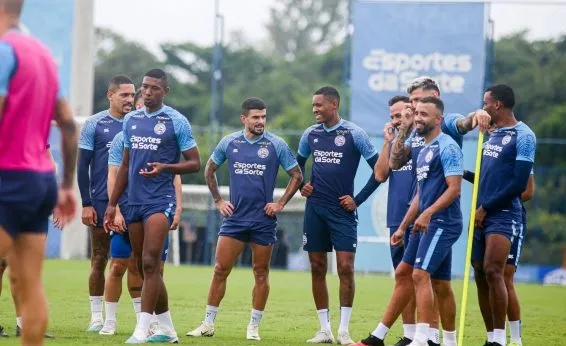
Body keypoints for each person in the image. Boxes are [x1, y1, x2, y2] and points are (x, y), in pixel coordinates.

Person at [186, 97, 302, 341]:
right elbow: (209, 170)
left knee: (261, 273)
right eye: (256, 117)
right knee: (220, 270)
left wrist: (280, 204)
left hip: (263, 220)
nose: (261, 121)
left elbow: (297, 175)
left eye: (263, 117)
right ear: (244, 119)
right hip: (235, 219)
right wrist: (218, 200)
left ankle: (253, 327)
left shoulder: (276, 144)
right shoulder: (230, 142)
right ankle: (208, 323)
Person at [386, 76, 489, 346]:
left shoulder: (445, 123)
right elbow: (395, 164)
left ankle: (426, 338)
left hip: (439, 215)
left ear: (435, 96)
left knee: (422, 277)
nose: (415, 107)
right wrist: (404, 130)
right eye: (413, 103)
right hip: (418, 210)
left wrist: (476, 114)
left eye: (420, 101)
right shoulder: (416, 130)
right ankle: (431, 338)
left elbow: (464, 123)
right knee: (429, 280)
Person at [0, 0, 78, 344]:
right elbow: (68, 123)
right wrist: (64, 186)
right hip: (41, 180)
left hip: (8, 179)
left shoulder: (4, 52)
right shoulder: (44, 55)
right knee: (27, 283)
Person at [104, 68, 201, 343]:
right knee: (144, 265)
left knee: (150, 261)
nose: (147, 92)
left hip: (160, 200)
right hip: (132, 201)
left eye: (154, 88)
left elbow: (195, 162)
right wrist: (112, 205)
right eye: (144, 87)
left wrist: (165, 168)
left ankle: (141, 329)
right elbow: (125, 165)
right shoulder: (131, 120)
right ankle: (168, 329)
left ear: (165, 92)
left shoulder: (176, 121)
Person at [297, 86, 380, 345]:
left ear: (334, 104)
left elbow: (379, 171)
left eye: (319, 105)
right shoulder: (310, 134)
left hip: (342, 212)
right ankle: (325, 330)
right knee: (317, 267)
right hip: (315, 209)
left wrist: (358, 199)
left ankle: (344, 331)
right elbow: (296, 165)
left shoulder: (355, 134)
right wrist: (302, 184)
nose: (315, 110)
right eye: (313, 105)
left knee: (345, 268)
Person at [100, 128, 183, 336]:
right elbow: (115, 173)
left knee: (153, 267)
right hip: (129, 208)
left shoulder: (168, 134)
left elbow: (176, 176)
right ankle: (109, 320)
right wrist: (116, 209)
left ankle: (149, 324)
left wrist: (178, 209)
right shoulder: (124, 137)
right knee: (121, 264)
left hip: (157, 207)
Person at [471, 85, 536, 346]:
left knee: (495, 272)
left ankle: (504, 339)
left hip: (504, 215)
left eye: (486, 102)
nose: (484, 106)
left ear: (497, 104)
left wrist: (486, 207)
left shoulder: (524, 135)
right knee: (479, 272)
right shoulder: (491, 135)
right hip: (482, 214)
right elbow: (488, 179)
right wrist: (458, 176)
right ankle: (491, 338)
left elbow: (521, 184)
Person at [395, 97, 463, 346]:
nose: (419, 118)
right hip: (427, 221)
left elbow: (454, 189)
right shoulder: (422, 148)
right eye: (417, 113)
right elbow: (421, 194)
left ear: (438, 120)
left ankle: (422, 338)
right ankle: (451, 342)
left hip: (443, 222)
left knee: (419, 274)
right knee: (441, 284)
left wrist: (428, 213)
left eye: (425, 114)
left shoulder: (448, 146)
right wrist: (404, 226)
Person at [354, 95, 416, 346]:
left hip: (416, 217)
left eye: (400, 115)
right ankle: (411, 334)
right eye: (392, 116)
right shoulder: (395, 143)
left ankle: (427, 336)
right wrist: (388, 142)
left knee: (415, 277)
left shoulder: (422, 140)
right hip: (395, 217)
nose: (395, 120)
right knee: (403, 278)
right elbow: (380, 174)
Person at [77, 74, 136, 332]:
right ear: (110, 95)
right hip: (102, 202)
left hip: (136, 203)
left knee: (137, 262)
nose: (130, 100)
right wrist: (86, 203)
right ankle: (96, 317)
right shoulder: (94, 124)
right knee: (99, 258)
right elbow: (82, 166)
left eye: (133, 95)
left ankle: (147, 320)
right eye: (124, 95)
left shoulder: (139, 124)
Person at [463, 168, 534, 346]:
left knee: (504, 277)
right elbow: (486, 182)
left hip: (508, 219)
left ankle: (516, 340)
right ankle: (492, 338)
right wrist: (464, 173)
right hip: (483, 218)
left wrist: (494, 203)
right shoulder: (487, 147)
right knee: (481, 275)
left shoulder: (517, 145)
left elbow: (527, 191)